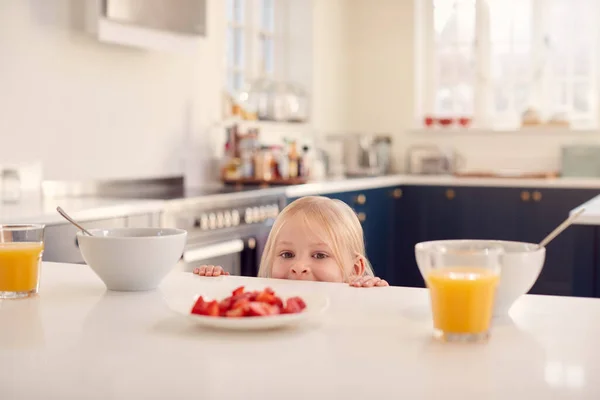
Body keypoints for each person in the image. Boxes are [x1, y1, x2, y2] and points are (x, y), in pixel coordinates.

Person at [193, 195, 389, 288]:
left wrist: (374, 295)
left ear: (355, 269)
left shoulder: (357, 301)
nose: (298, 267)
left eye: (319, 255)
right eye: (287, 254)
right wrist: (214, 285)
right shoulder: (268, 305)